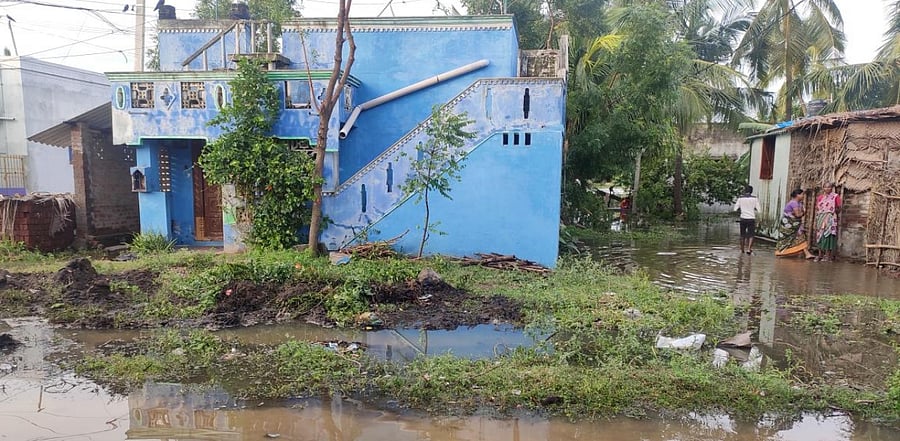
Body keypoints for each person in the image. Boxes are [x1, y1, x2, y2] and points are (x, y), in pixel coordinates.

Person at [775, 189, 815, 259]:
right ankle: (783, 252)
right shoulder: (794, 203)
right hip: (790, 224)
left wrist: (801, 213)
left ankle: (806, 253)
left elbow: (797, 214)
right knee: (797, 237)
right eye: (802, 194)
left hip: (794, 224)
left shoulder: (799, 203)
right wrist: (803, 212)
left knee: (799, 237)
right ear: (797, 195)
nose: (803, 196)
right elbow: (798, 215)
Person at [814, 183, 842, 261]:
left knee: (828, 235)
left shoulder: (835, 196)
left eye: (829, 187)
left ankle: (828, 255)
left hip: (830, 218)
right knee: (819, 235)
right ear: (823, 188)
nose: (827, 188)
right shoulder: (820, 197)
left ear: (832, 188)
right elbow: (817, 208)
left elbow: (839, 208)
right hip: (820, 217)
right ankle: (820, 254)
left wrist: (832, 213)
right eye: (825, 187)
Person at [734, 185, 760, 255]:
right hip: (751, 218)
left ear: (745, 191)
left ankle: (742, 250)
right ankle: (749, 249)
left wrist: (741, 209)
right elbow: (759, 210)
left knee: (742, 235)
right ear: (751, 191)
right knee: (751, 235)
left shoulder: (740, 198)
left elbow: (735, 209)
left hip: (743, 218)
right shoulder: (755, 199)